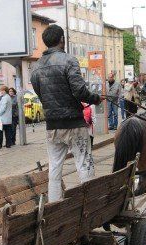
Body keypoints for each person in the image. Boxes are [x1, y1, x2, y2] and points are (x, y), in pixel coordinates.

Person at [30, 24, 102, 202]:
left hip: (52, 126)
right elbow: (79, 91)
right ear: (62, 40)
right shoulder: (69, 60)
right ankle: (90, 204)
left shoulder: (36, 67)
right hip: (74, 124)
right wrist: (95, 99)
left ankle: (54, 205)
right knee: (84, 163)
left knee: (54, 168)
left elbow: (41, 94)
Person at [0, 86, 12, 150]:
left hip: (2, 118)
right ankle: (8, 144)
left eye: (2, 90)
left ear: (5, 91)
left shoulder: (5, 98)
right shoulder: (8, 97)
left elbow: (3, 108)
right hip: (7, 119)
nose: (1, 91)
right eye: (1, 90)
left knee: (0, 132)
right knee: (7, 132)